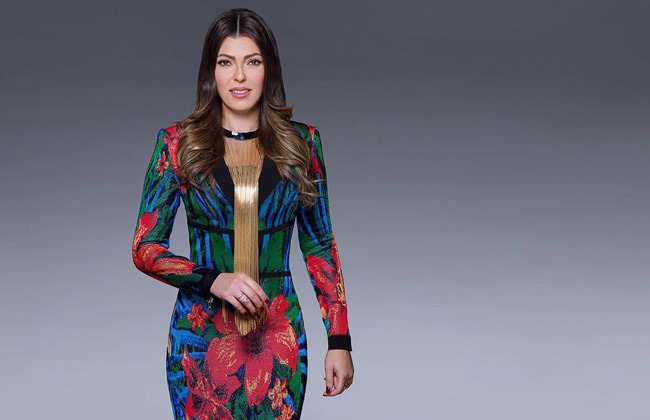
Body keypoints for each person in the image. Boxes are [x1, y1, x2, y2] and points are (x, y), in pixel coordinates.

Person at [131, 7, 354, 419]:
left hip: (280, 339)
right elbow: (145, 248)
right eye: (225, 63)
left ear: (269, 70)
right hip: (199, 340)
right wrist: (213, 279)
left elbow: (320, 245)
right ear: (210, 72)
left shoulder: (303, 145)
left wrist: (339, 341)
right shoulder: (177, 145)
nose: (239, 76)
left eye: (252, 62)